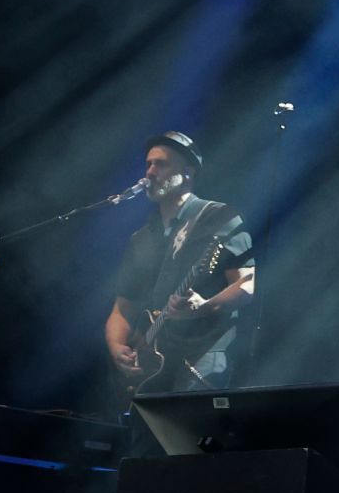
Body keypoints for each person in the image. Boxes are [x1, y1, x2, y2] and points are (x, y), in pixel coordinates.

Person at [103, 132, 254, 401]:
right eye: (148, 164)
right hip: (152, 366)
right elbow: (122, 308)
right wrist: (116, 347)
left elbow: (247, 283)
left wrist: (204, 306)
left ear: (187, 172)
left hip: (201, 361)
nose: (150, 172)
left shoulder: (219, 217)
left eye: (161, 164)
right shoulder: (141, 238)